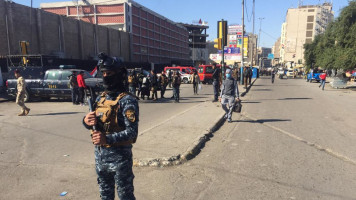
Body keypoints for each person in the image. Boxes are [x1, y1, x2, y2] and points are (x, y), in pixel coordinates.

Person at [83, 53, 138, 200]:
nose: (106, 76)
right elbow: (95, 124)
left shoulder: (127, 101)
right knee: (105, 196)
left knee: (125, 196)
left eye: (110, 73)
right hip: (101, 159)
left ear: (119, 74)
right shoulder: (101, 98)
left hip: (120, 160)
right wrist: (86, 121)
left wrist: (106, 139)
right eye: (104, 73)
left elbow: (132, 132)